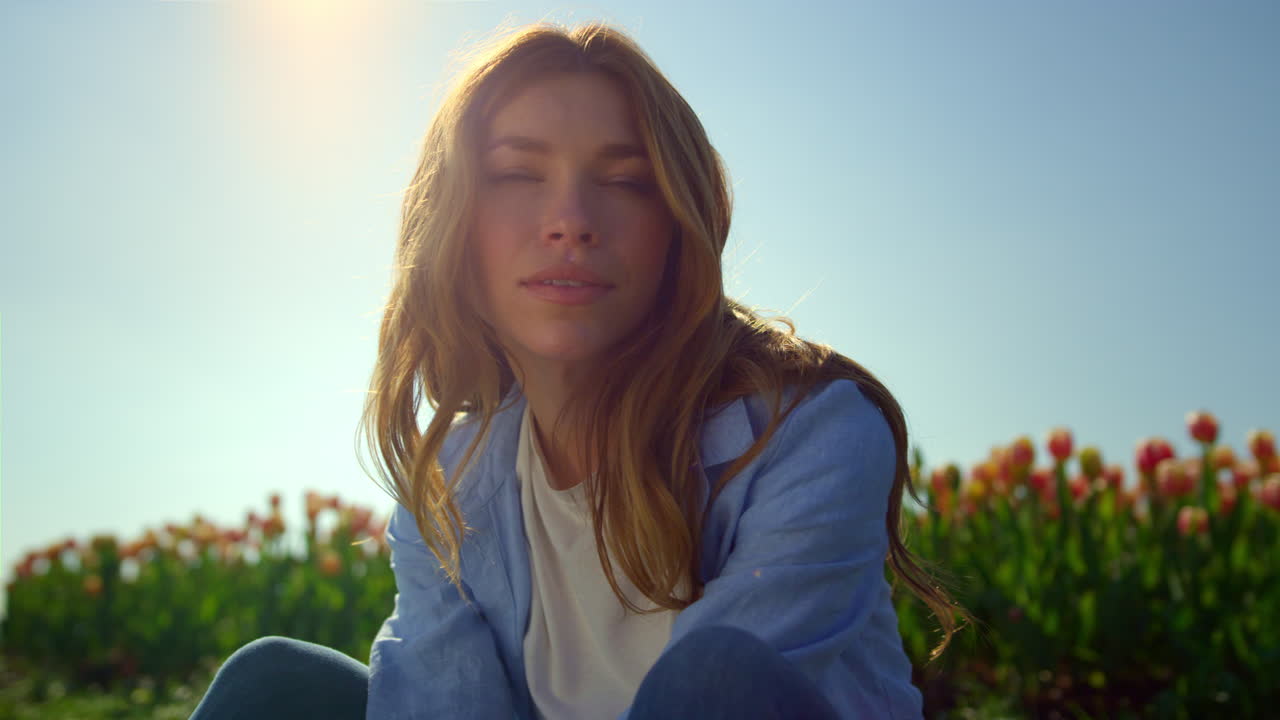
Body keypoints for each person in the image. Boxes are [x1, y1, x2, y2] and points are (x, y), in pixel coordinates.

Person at [189, 20, 968, 720]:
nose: (571, 220)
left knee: (713, 679)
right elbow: (440, 706)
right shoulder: (453, 478)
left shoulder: (809, 432)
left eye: (626, 181)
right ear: (456, 225)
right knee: (275, 686)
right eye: (518, 174)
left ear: (677, 227)